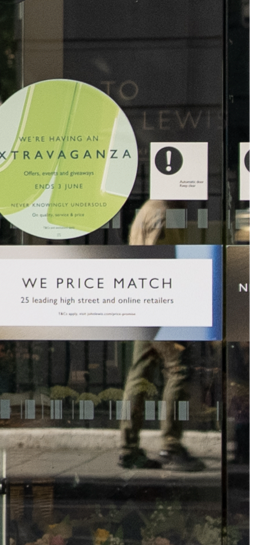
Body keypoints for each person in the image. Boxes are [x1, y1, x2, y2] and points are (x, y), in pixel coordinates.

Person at [118, 197, 201, 471]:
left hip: (144, 303)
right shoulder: (166, 213)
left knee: (140, 372)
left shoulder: (149, 209)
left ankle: (128, 448)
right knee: (180, 369)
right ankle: (171, 446)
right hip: (162, 304)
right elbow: (162, 262)